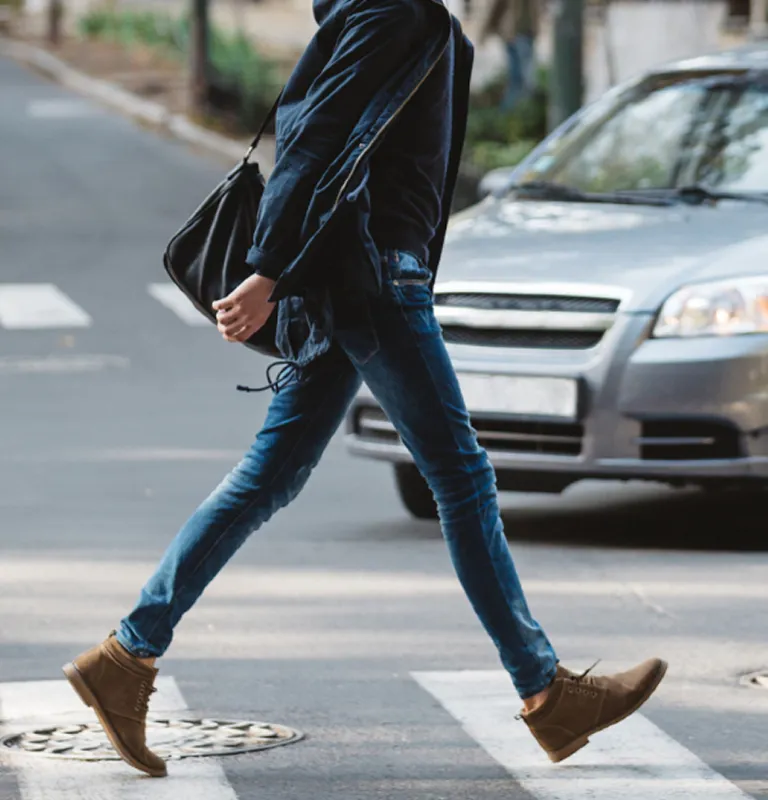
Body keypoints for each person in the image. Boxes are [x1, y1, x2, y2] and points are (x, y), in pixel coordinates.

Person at [62, 0, 667, 779]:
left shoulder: (388, 10)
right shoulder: (393, 8)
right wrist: (269, 273)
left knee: (270, 476)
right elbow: (314, 137)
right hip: (375, 278)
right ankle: (546, 692)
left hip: (354, 273)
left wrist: (284, 271)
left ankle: (125, 658)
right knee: (461, 475)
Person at [478, 0, 539, 110]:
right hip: (515, 36)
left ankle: (514, 113)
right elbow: (497, 8)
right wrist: (485, 32)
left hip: (525, 35)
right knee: (521, 80)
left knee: (521, 80)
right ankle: (511, 112)